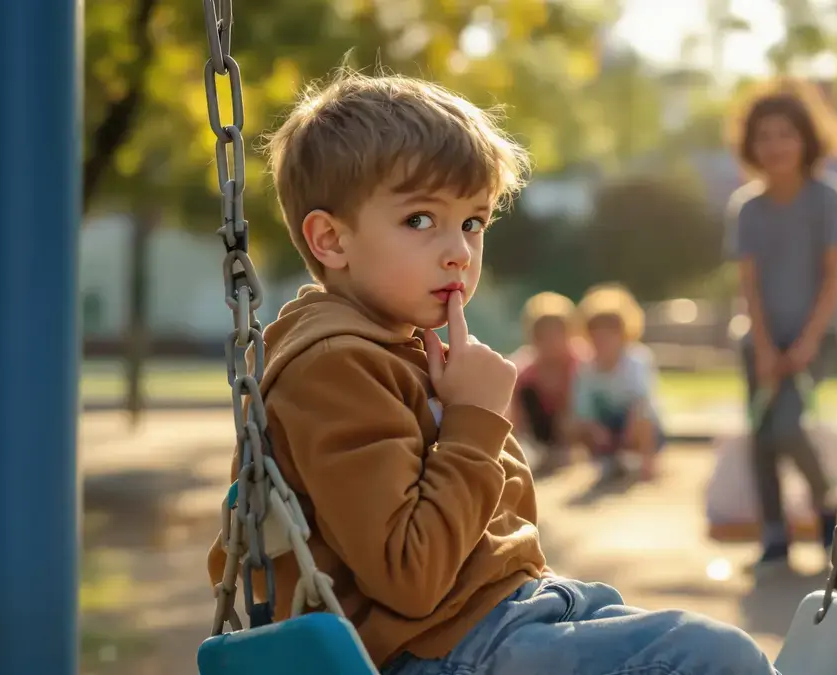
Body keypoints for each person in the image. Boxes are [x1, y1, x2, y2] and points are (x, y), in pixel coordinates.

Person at [204, 71, 776, 675]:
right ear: (331, 239)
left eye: (473, 222)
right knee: (713, 658)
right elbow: (411, 578)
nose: (459, 250)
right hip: (439, 647)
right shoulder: (334, 366)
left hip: (507, 615)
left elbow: (497, 526)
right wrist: (476, 418)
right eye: (420, 220)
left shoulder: (401, 348)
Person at [724, 79, 837, 573]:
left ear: (806, 138)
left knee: (789, 427)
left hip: (813, 338)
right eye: (764, 136)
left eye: (786, 134)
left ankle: (827, 508)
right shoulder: (748, 208)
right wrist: (762, 346)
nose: (775, 145)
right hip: (758, 339)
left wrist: (804, 344)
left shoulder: (828, 199)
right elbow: (749, 285)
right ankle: (774, 535)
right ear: (751, 145)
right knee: (761, 435)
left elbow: (836, 274)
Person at [572, 283, 665, 484]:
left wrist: (628, 434)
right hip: (606, 426)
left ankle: (647, 464)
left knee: (642, 415)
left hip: (636, 425)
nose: (602, 338)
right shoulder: (586, 368)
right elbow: (583, 410)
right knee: (577, 424)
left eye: (610, 331)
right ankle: (606, 460)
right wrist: (596, 431)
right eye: (597, 331)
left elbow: (642, 402)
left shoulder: (637, 360)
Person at [507, 291, 588, 476]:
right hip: (539, 430)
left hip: (572, 427)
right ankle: (536, 452)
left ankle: (569, 452)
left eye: (557, 333)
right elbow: (514, 414)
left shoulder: (582, 363)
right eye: (543, 335)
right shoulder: (525, 368)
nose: (551, 342)